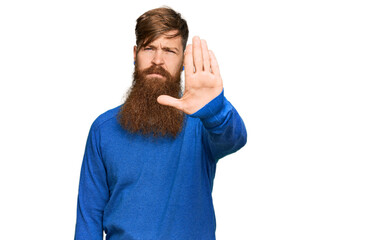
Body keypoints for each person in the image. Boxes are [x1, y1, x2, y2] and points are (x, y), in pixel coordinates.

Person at [74, 7, 247, 240]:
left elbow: (234, 139)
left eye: (169, 50)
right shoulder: (103, 130)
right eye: (149, 48)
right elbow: (89, 220)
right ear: (135, 54)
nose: (157, 60)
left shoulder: (202, 124)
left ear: (184, 60)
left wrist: (215, 110)